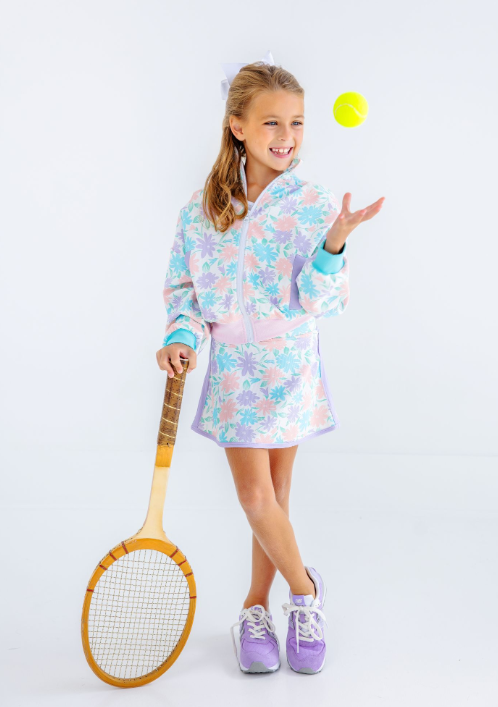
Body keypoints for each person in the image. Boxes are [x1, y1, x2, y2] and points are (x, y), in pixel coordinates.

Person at [156, 53, 384, 675]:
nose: (287, 137)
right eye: (271, 123)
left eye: (297, 123)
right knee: (257, 497)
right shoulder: (203, 211)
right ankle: (305, 593)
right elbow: (184, 292)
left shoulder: (312, 204)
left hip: (289, 365)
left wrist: (333, 243)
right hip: (234, 369)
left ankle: (256, 608)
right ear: (237, 126)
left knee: (275, 497)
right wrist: (181, 337)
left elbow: (321, 300)